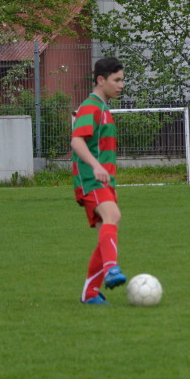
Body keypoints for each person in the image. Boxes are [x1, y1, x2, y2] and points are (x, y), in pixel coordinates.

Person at [71, 56, 128, 303]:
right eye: (116, 80)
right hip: (91, 179)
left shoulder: (103, 108)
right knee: (112, 216)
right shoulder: (90, 107)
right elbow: (76, 140)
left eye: (122, 80)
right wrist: (95, 167)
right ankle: (111, 269)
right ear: (101, 80)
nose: (121, 85)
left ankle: (90, 292)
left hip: (103, 181)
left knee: (108, 227)